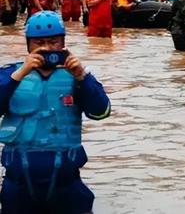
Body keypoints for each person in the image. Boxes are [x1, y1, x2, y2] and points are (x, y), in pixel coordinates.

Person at [0, 11, 111, 213]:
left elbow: (101, 111)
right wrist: (19, 75)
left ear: (63, 44)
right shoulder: (10, 74)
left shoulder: (77, 77)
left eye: (53, 42)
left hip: (66, 184)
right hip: (19, 184)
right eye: (39, 43)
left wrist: (81, 77)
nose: (47, 48)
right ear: (28, 45)